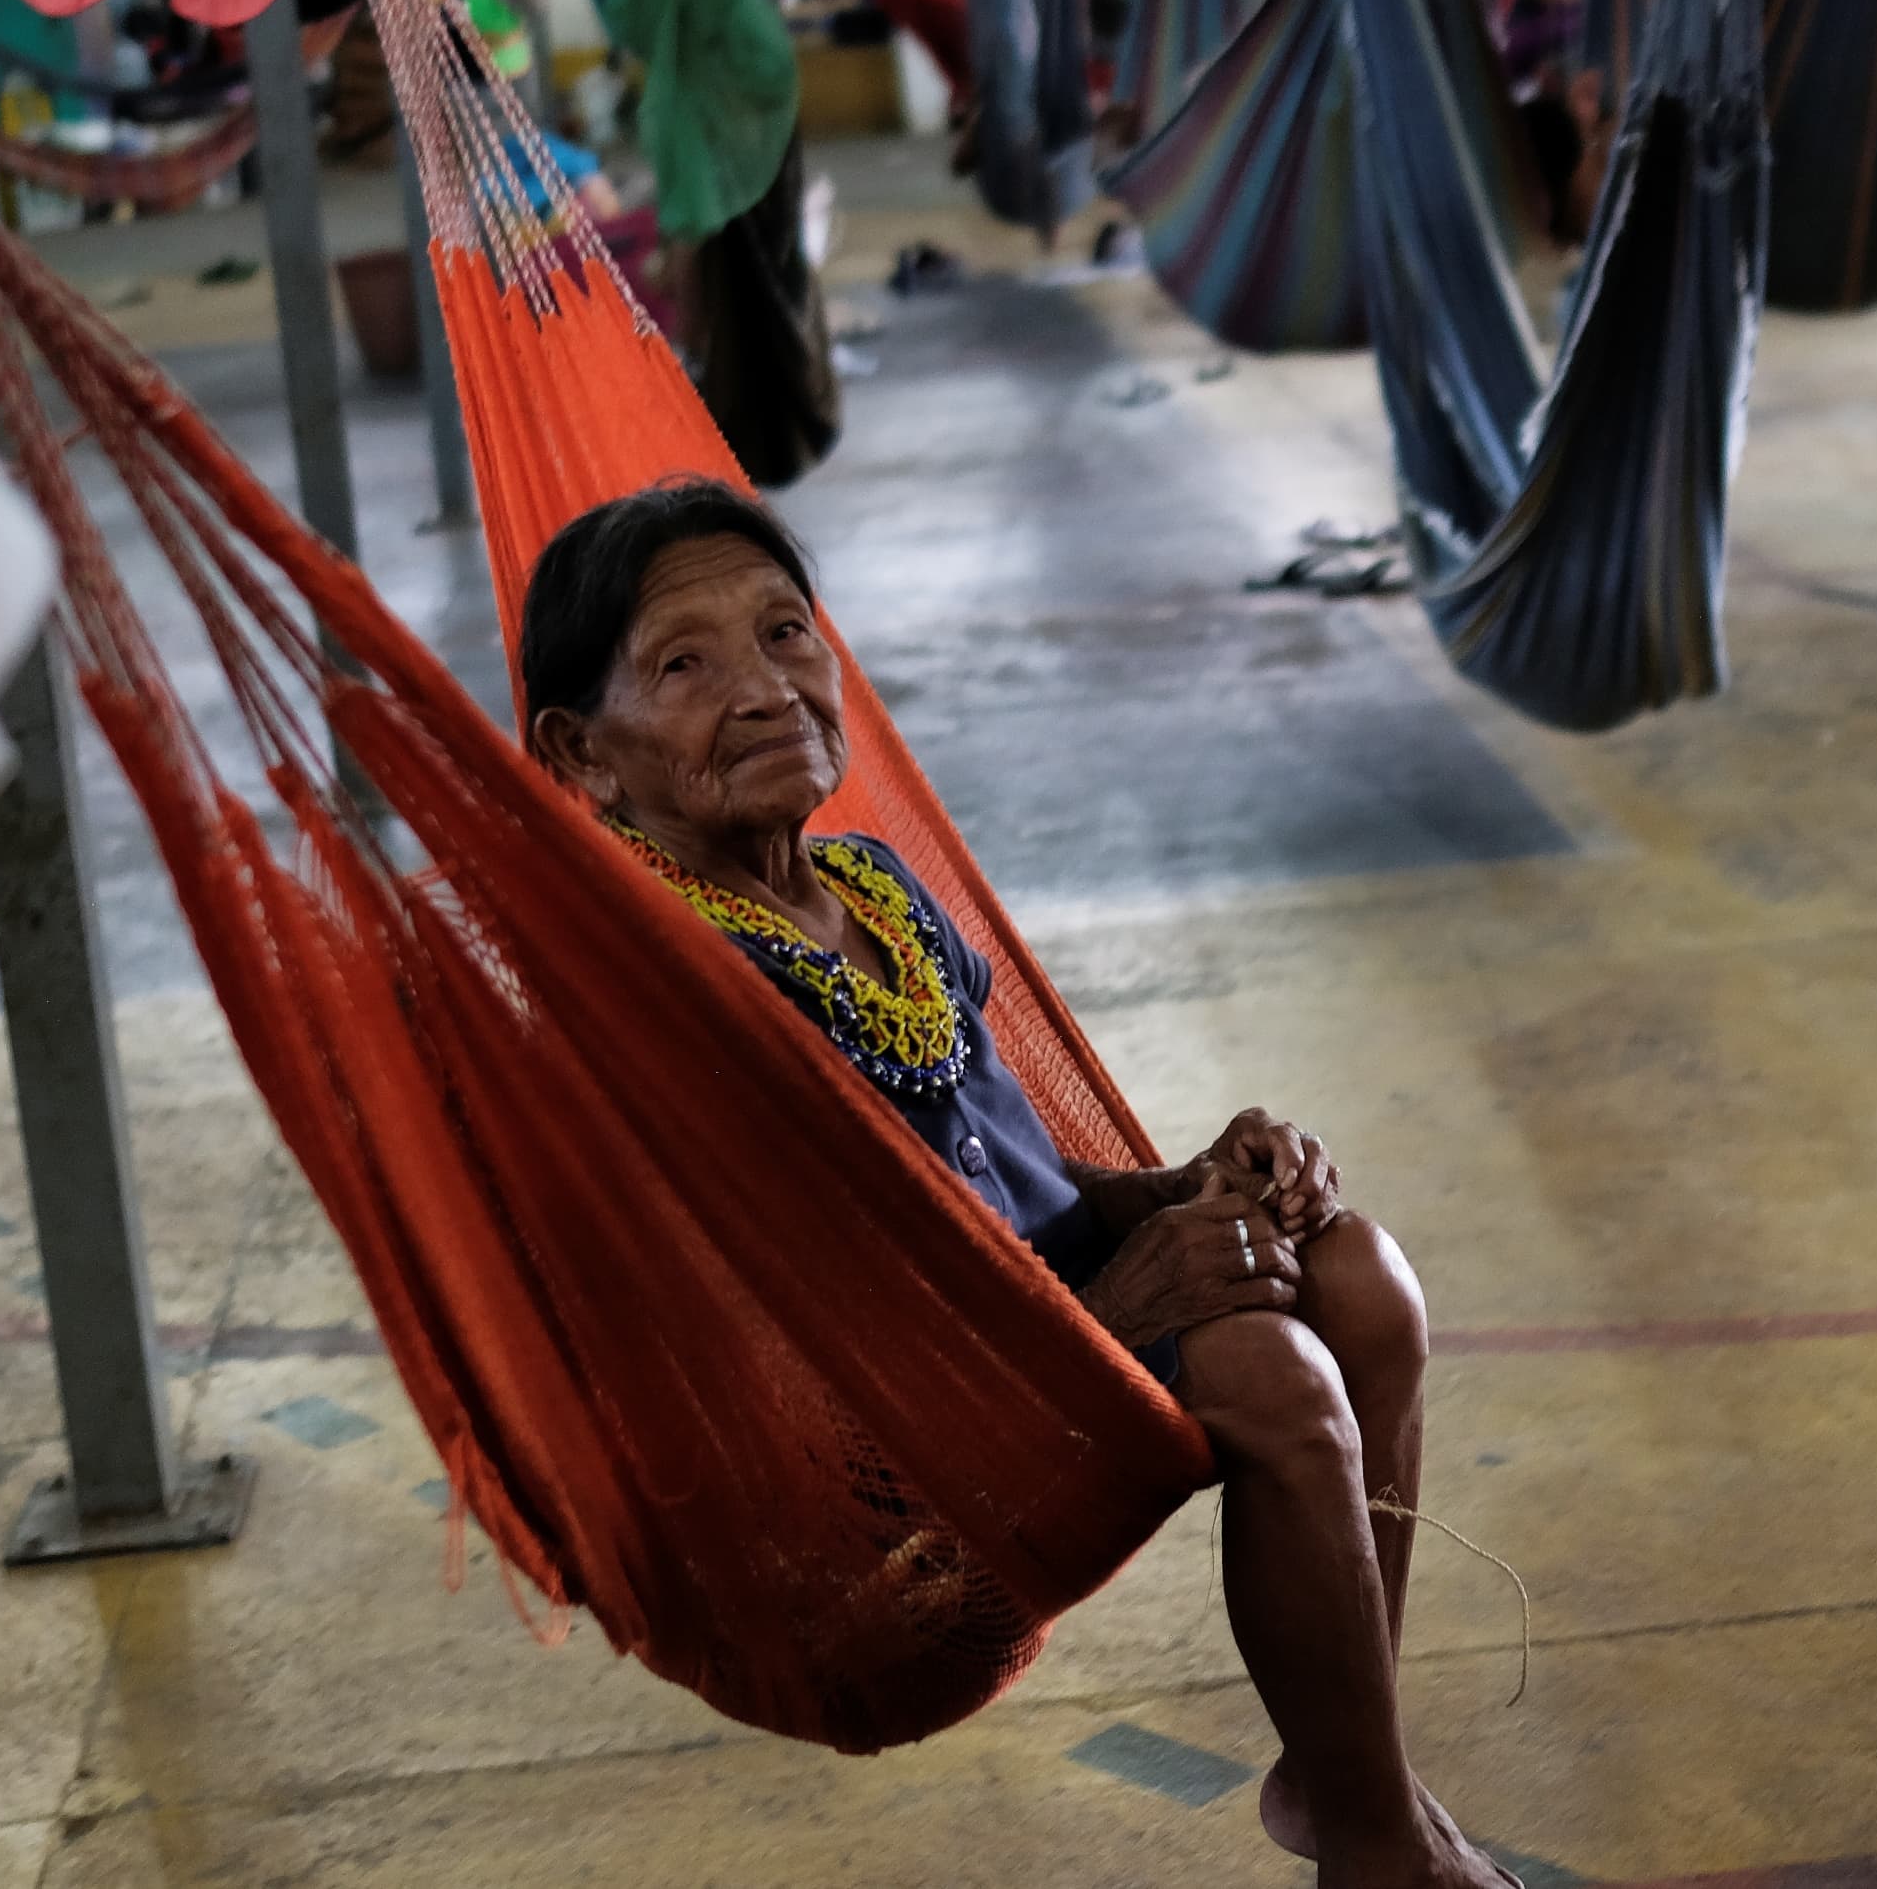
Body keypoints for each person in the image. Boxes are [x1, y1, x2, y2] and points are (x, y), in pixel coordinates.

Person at [519, 481, 1522, 1889]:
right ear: (584, 755)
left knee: (1359, 1277)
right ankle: (1380, 1847)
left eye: (787, 631)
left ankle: (1337, 1767)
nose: (764, 689)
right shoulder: (676, 991)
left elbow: (1020, 1182)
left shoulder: (867, 890)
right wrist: (1122, 1308)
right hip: (892, 1482)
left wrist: (1190, 1185)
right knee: (1269, 1368)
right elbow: (818, 1337)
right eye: (684, 665)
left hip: (1041, 1343)